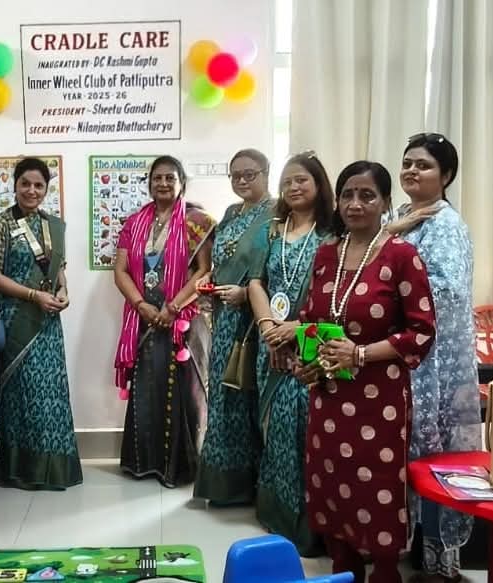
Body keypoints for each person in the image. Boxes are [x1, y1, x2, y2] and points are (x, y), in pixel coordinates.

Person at [297, 161, 437, 583]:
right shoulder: (327, 254)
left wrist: (359, 355)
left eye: (367, 195)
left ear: (385, 202)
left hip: (380, 399)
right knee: (330, 481)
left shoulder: (401, 256)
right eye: (347, 195)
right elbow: (310, 319)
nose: (355, 204)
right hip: (328, 395)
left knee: (377, 488)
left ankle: (386, 572)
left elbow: (422, 331)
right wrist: (306, 361)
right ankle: (343, 569)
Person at [384, 133, 479, 583]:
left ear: (446, 175)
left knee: (432, 450)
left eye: (422, 165)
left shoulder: (445, 224)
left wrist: (389, 300)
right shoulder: (401, 216)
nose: (411, 171)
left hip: (432, 360)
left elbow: (448, 291)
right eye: (407, 163)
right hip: (398, 353)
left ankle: (439, 559)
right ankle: (407, 543)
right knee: (403, 447)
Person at [246, 152, 335, 554]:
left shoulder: (332, 235)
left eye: (302, 180)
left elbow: (338, 297)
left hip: (311, 345)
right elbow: (255, 282)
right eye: (287, 181)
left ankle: (309, 526)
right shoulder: (272, 231)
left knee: (305, 431)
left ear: (319, 185)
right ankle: (277, 514)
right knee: (275, 428)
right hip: (271, 344)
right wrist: (269, 328)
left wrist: (296, 330)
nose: (293, 187)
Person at [114, 155, 216, 488]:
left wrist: (173, 307)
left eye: (170, 178)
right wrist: (141, 304)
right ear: (149, 183)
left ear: (181, 183)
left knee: (183, 390)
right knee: (147, 387)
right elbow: (120, 271)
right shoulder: (134, 223)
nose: (163, 183)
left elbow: (204, 270)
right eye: (157, 178)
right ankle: (144, 463)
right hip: (144, 317)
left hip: (182, 318)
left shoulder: (197, 221)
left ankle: (180, 468)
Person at [0, 158, 82, 490]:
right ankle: (22, 469)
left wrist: (64, 291)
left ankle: (54, 468)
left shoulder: (51, 224)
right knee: (22, 394)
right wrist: (32, 295)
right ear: (14, 185)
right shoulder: (0, 224)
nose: (31, 190)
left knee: (51, 393)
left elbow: (58, 268)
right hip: (17, 320)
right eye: (25, 183)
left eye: (38, 185)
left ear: (46, 189)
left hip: (47, 322)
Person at [194, 148, 277, 505]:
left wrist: (246, 294)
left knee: (247, 397)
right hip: (225, 319)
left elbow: (282, 268)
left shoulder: (277, 213)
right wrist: (209, 282)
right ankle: (222, 483)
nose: (242, 181)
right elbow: (222, 261)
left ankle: (247, 483)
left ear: (266, 173)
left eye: (249, 174)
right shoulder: (230, 213)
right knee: (224, 395)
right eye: (236, 175)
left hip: (256, 321)